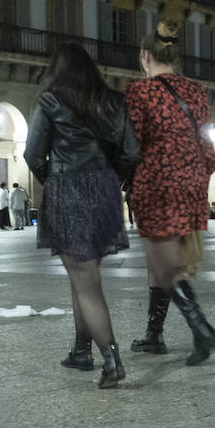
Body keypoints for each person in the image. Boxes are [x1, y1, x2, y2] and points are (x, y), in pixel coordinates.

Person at [23, 42, 141, 389]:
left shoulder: (50, 100)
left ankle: (111, 358)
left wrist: (55, 181)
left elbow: (33, 154)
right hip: (104, 192)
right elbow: (132, 153)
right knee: (82, 277)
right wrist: (112, 179)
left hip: (68, 191)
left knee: (86, 283)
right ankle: (81, 350)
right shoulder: (115, 101)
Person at [125, 20, 215, 366]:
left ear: (144, 57)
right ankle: (154, 334)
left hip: (157, 184)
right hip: (192, 182)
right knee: (162, 261)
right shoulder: (197, 92)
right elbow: (206, 143)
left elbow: (131, 145)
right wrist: (200, 175)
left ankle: (202, 329)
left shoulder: (139, 93)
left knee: (166, 265)